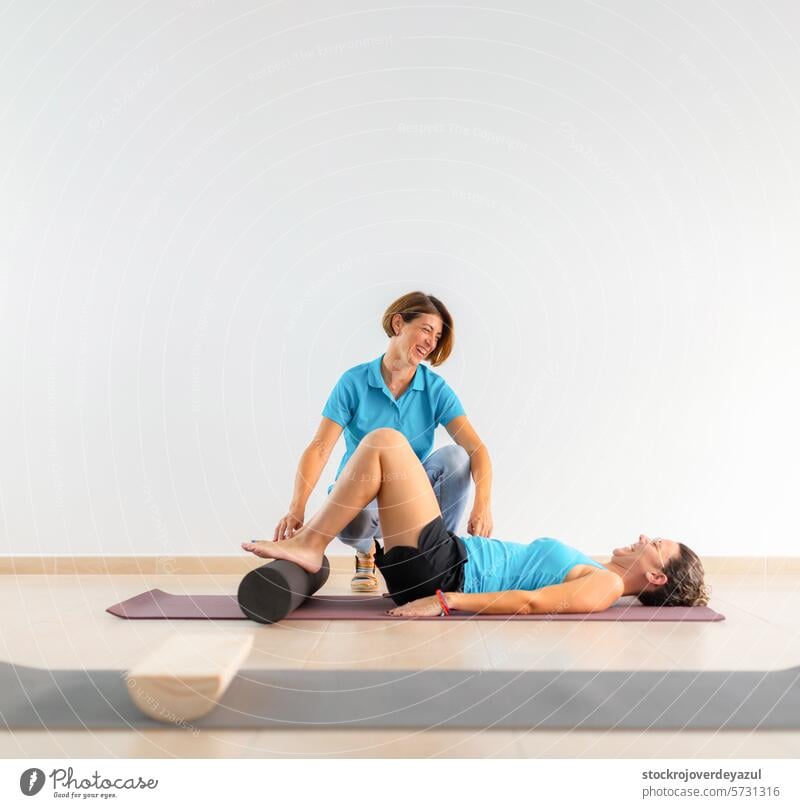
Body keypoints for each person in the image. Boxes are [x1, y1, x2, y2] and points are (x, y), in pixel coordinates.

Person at [244, 428, 710, 615]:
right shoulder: (598, 572)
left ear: (655, 575)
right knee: (386, 450)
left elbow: (531, 603)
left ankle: (310, 545)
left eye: (657, 543)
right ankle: (313, 543)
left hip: (446, 571)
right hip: (442, 559)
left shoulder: (606, 587)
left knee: (386, 443)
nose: (645, 536)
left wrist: (445, 603)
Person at [273, 291, 493, 593]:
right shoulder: (354, 382)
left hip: (408, 497)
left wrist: (482, 505)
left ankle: (438, 554)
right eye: (426, 329)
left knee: (457, 457)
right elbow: (320, 448)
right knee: (360, 501)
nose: (431, 341)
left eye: (437, 336)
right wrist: (297, 508)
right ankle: (367, 552)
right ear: (398, 322)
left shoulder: (435, 389)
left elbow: (476, 449)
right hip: (360, 502)